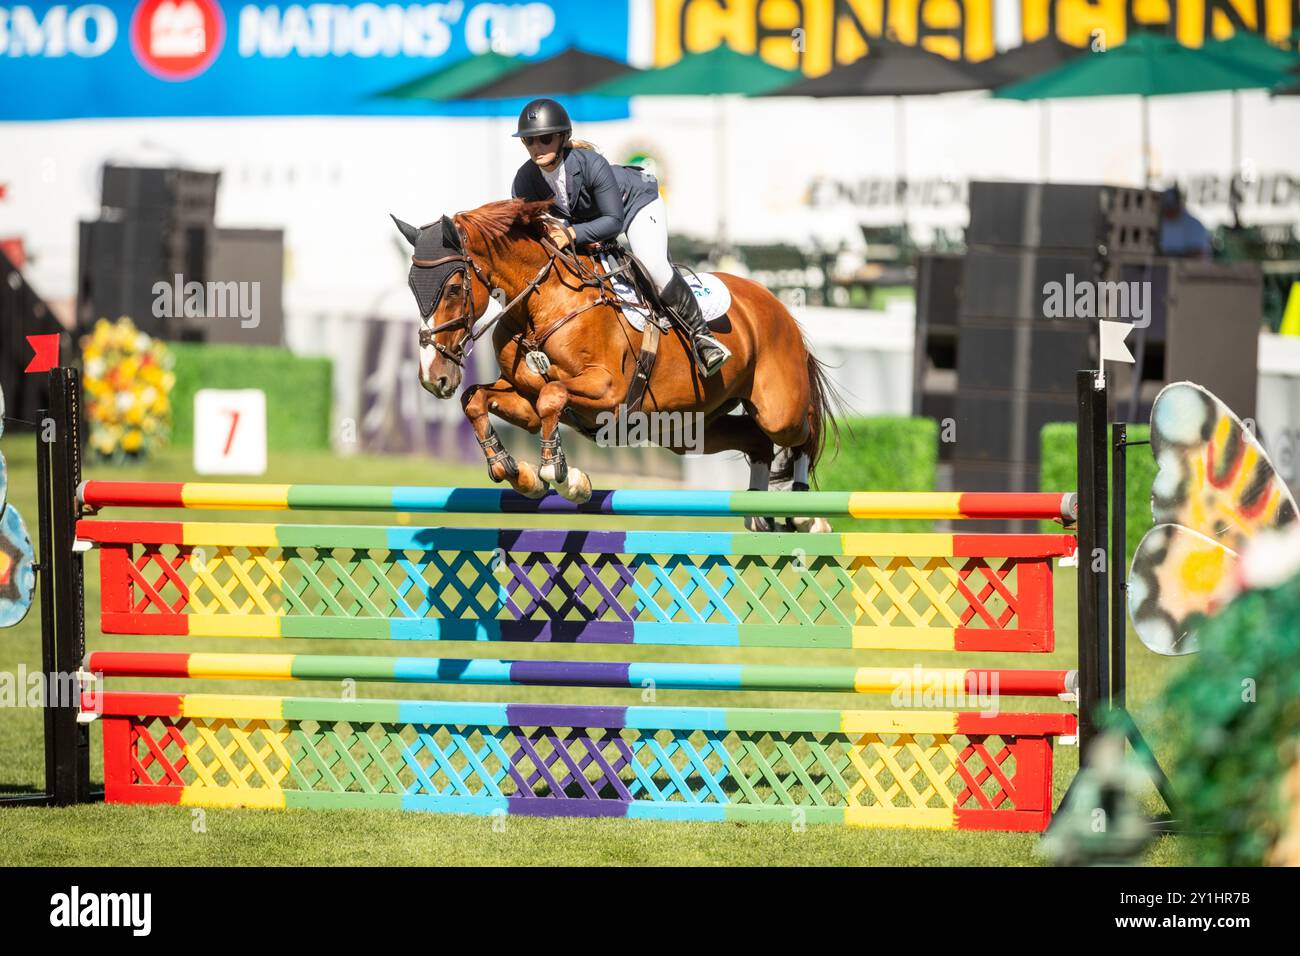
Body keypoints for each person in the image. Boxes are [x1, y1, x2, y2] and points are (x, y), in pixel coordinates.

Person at [509, 97, 730, 377]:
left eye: (545, 139)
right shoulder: (524, 179)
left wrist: (571, 233)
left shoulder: (591, 164)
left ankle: (702, 337)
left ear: (563, 137)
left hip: (635, 204)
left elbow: (613, 222)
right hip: (585, 221)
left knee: (653, 266)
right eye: (529, 141)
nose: (536, 148)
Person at [1158, 185, 1212, 259]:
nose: (1168, 212)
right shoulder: (1160, 224)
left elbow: (1199, 254)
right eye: (1166, 208)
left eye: (1171, 208)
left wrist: (1170, 256)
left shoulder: (1195, 226)